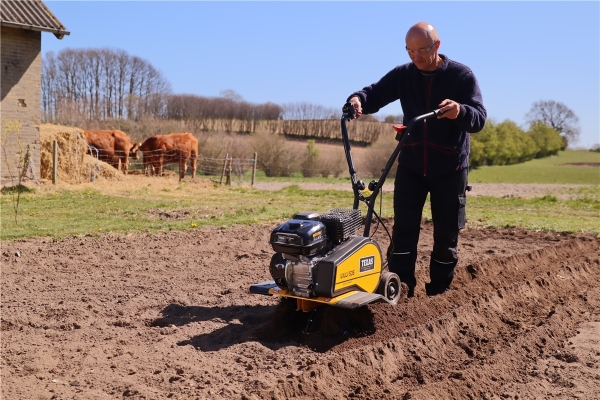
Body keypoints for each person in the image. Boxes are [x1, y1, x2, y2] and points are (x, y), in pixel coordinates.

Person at [346, 22, 486, 297]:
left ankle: (439, 292)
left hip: (450, 167)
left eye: (422, 50)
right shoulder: (404, 75)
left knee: (446, 235)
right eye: (410, 51)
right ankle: (401, 288)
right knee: (403, 231)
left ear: (437, 46)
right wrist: (358, 99)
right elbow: (374, 93)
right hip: (411, 165)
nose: (416, 57)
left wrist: (460, 110)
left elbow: (478, 118)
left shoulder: (461, 76)